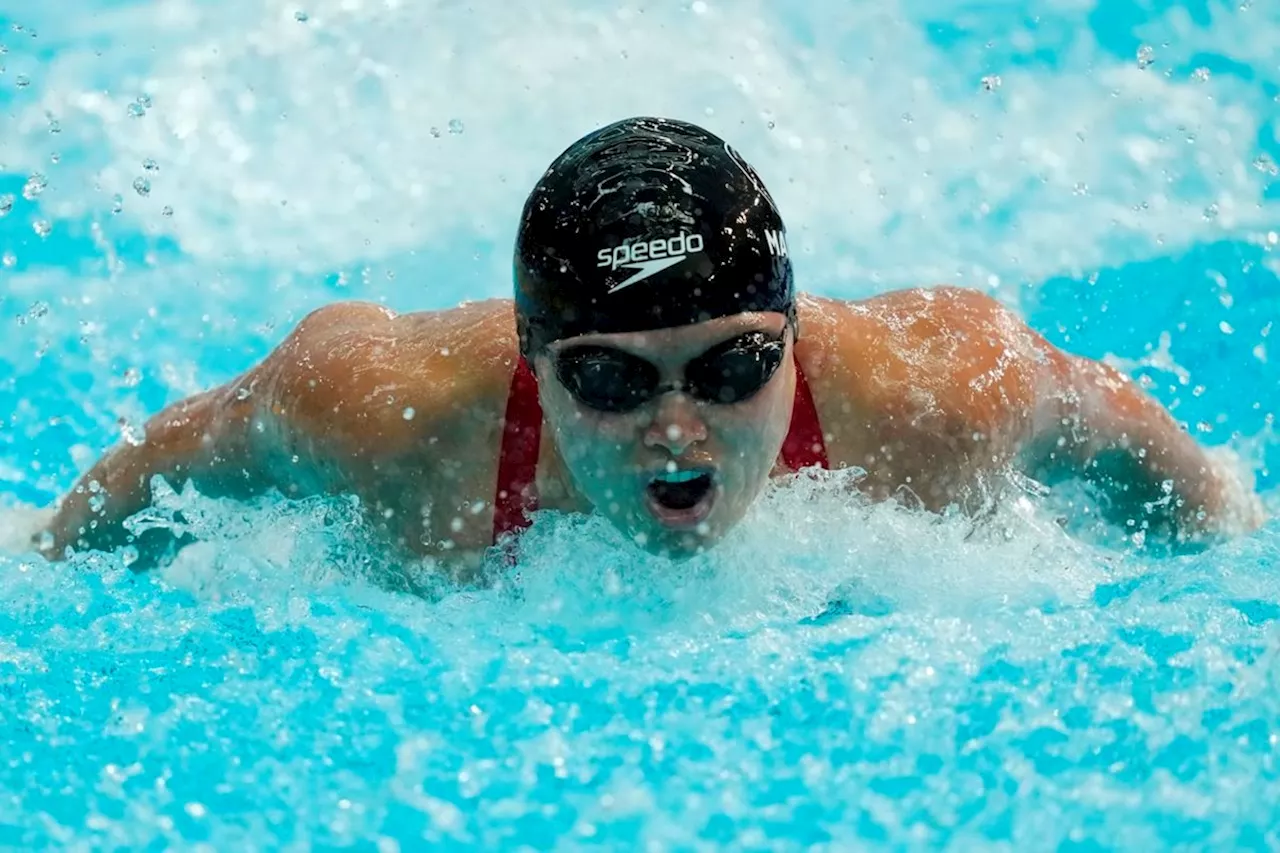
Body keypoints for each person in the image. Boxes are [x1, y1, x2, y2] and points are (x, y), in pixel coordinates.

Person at [36, 116, 1262, 573]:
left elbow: (1143, 451)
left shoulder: (941, 395)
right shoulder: (385, 420)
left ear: (789, 338)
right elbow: (171, 463)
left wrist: (1227, 519)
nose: (676, 428)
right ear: (533, 360)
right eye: (614, 379)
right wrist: (36, 551)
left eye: (730, 366)